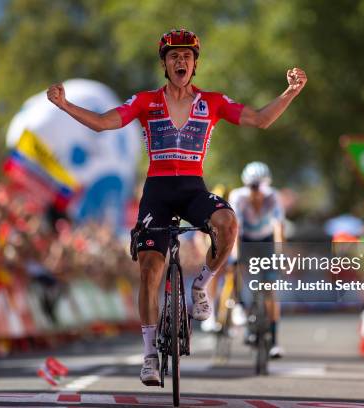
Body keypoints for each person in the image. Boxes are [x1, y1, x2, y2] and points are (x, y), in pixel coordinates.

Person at [47, 28, 307, 386]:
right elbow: (105, 122)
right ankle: (150, 355)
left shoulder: (212, 102)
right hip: (157, 191)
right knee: (150, 269)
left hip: (192, 188)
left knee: (227, 222)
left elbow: (260, 119)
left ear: (195, 64)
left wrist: (291, 92)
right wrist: (64, 105)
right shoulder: (145, 101)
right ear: (165, 65)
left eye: (187, 56)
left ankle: (201, 285)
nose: (180, 61)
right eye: (173, 56)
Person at [228, 161, 286, 358]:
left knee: (270, 291)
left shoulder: (273, 197)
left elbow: (278, 227)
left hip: (266, 240)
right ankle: (240, 307)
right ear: (247, 186)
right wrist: (236, 257)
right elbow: (235, 229)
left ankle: (275, 341)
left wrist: (279, 253)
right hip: (245, 239)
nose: (256, 193)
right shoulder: (238, 197)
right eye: (252, 187)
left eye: (260, 187)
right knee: (234, 269)